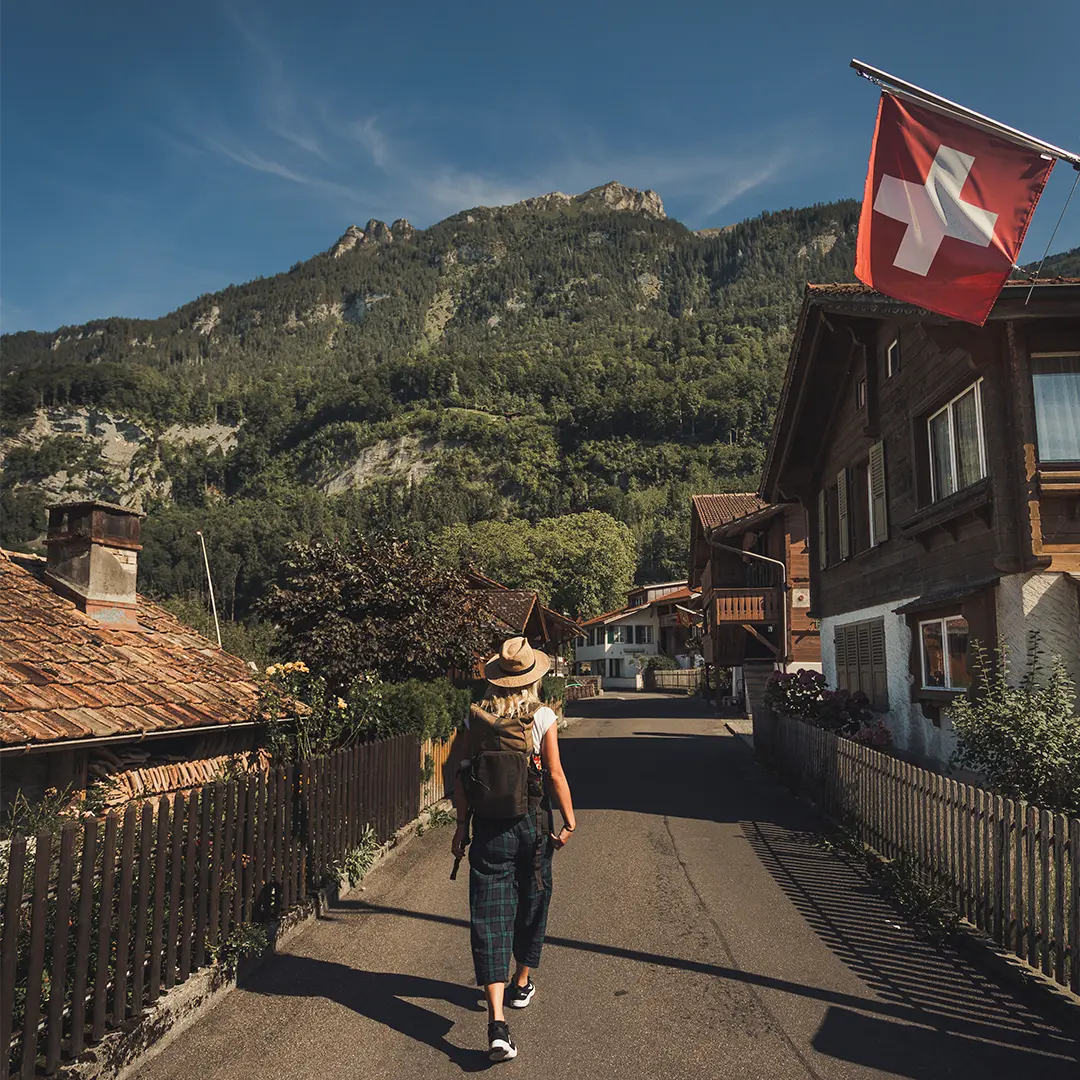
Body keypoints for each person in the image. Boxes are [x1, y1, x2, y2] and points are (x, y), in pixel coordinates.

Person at [452, 636, 577, 1063]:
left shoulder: (476, 718)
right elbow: (555, 775)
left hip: (488, 828)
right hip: (532, 826)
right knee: (533, 899)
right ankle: (521, 983)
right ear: (532, 678)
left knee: (489, 915)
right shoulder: (542, 717)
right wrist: (569, 820)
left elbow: (461, 775)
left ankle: (497, 1024)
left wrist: (461, 827)